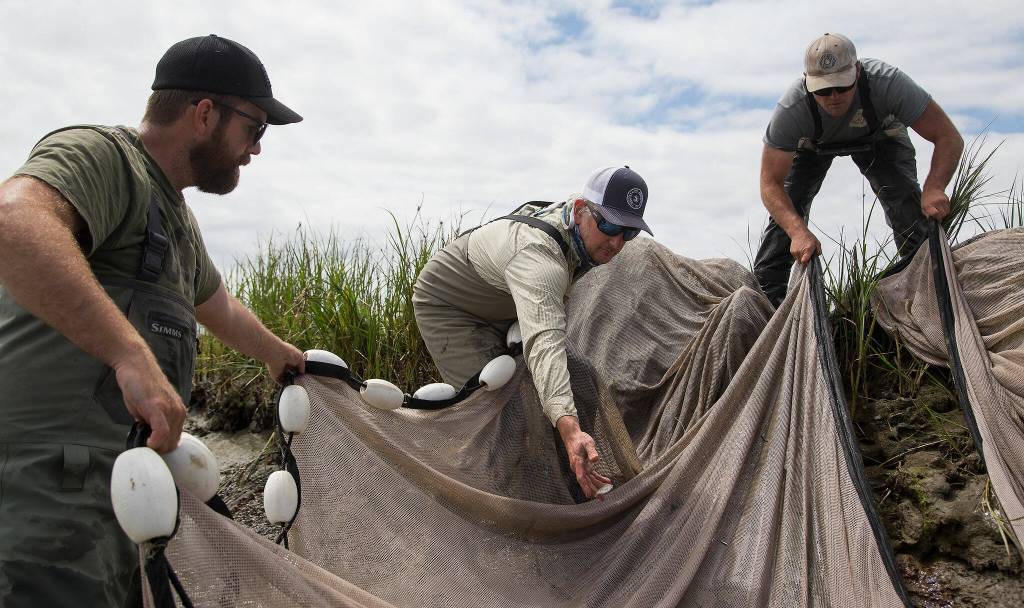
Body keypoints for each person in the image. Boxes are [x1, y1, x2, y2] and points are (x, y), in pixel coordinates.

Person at [0, 34, 306, 607]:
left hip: (114, 495)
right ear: (205, 114)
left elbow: (220, 307)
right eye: (255, 128)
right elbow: (15, 224)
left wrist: (277, 354)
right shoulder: (103, 156)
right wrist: (129, 354)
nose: (256, 149)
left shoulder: (177, 219)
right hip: (41, 493)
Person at [413, 166, 653, 499]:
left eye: (629, 232)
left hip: (506, 301)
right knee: (503, 415)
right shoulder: (540, 258)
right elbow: (544, 344)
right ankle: (496, 505)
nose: (616, 241)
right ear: (582, 210)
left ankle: (569, 480)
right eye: (609, 225)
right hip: (453, 308)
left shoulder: (581, 228)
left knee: (580, 379)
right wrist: (570, 431)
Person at [753, 32, 964, 306]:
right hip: (812, 145)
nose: (833, 97)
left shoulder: (888, 84)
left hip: (879, 136)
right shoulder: (792, 108)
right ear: (808, 83)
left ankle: (928, 299)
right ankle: (766, 307)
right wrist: (797, 231)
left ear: (858, 71)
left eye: (841, 87)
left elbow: (948, 137)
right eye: (823, 90)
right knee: (786, 219)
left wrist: (935, 186)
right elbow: (770, 183)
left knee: (907, 208)